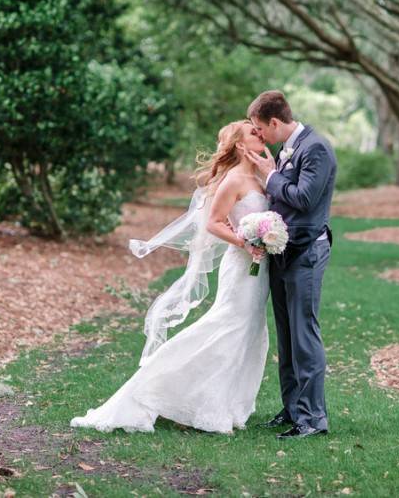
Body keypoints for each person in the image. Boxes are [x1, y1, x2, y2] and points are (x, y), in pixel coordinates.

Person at [70, 120, 272, 434]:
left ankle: (225, 404)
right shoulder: (233, 179)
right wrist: (244, 242)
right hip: (241, 265)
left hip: (260, 268)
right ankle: (160, 385)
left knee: (250, 331)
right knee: (226, 326)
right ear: (239, 144)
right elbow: (214, 222)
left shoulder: (259, 176)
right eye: (252, 132)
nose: (260, 134)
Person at [246, 90, 337, 439]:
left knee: (304, 334)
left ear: (274, 122)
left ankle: (313, 419)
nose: (258, 135)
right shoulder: (288, 148)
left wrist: (271, 177)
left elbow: (304, 198)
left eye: (259, 128)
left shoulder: (315, 148)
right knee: (287, 336)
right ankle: (293, 408)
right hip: (281, 251)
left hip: (306, 252)